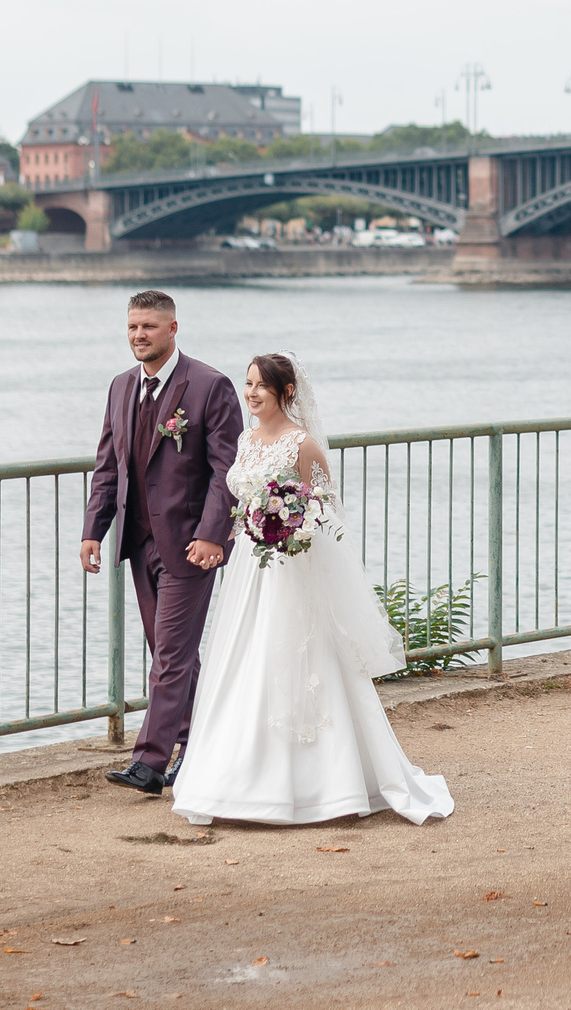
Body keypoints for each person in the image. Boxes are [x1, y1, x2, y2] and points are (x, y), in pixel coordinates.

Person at [170, 352, 453, 828]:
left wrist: (287, 529)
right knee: (242, 661)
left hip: (291, 571)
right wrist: (241, 530)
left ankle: (322, 786)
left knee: (294, 662)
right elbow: (239, 502)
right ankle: (230, 781)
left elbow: (327, 517)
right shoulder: (245, 439)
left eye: (261, 385)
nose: (251, 393)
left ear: (286, 392)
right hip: (249, 569)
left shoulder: (304, 446)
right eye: (247, 383)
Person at [79, 290, 241, 795]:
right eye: (132, 327)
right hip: (139, 541)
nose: (139, 335)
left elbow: (227, 471)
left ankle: (148, 762)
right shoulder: (120, 386)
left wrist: (212, 534)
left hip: (192, 545)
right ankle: (195, 749)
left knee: (170, 654)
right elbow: (109, 466)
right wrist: (93, 529)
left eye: (148, 326)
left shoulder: (210, 385)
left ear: (172, 328)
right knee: (173, 653)